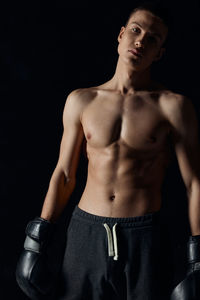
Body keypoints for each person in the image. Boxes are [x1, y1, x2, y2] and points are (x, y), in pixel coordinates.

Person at [16, 2, 200, 300]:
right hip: (85, 232)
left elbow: (194, 184)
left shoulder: (173, 106)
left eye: (152, 38)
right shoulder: (82, 101)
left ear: (159, 53)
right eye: (136, 30)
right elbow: (64, 174)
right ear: (121, 35)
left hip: (144, 236)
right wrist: (35, 240)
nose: (141, 40)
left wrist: (197, 259)